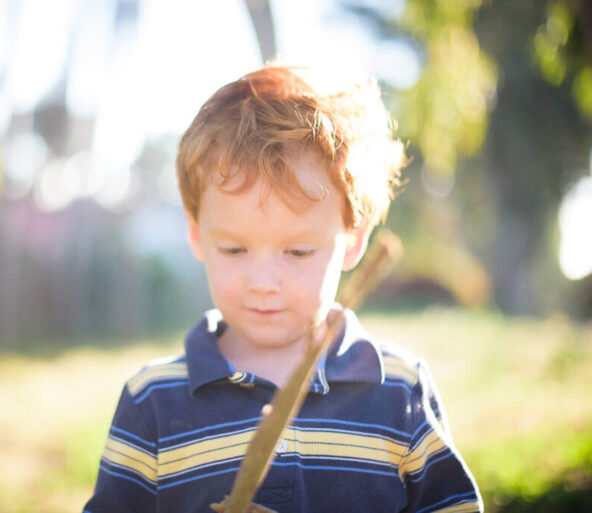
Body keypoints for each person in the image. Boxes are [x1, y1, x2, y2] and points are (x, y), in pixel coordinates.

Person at [83, 65, 482, 513]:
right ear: (196, 234)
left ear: (353, 241)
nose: (263, 284)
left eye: (297, 252)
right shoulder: (152, 401)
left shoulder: (399, 388)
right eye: (234, 250)